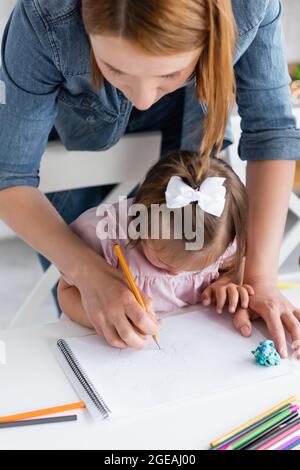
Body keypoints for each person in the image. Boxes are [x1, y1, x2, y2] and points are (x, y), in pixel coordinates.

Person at [0, 1, 299, 356]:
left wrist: (261, 279)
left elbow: (272, 132)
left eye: (171, 75)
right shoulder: (45, 16)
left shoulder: (250, 7)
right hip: (73, 136)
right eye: (113, 67)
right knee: (103, 324)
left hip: (188, 137)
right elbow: (10, 173)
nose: (142, 100)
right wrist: (87, 272)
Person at [58, 150, 255, 349]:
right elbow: (65, 294)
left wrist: (226, 283)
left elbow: (232, 268)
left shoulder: (221, 236)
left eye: (197, 268)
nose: (175, 273)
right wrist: (109, 318)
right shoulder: (104, 234)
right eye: (162, 260)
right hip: (95, 347)